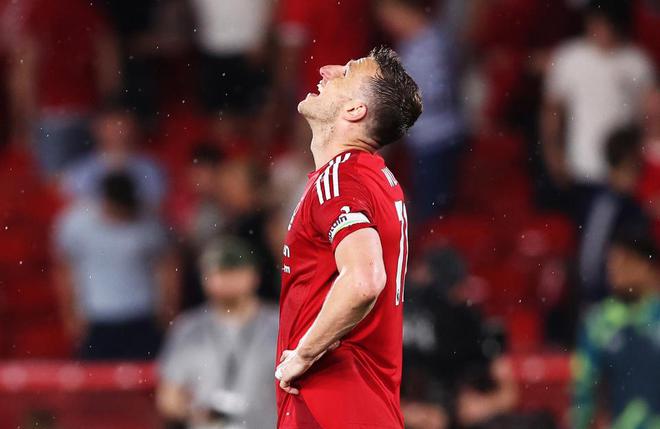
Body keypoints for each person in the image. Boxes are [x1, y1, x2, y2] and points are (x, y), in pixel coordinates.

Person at [274, 47, 422, 428]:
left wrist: (304, 355)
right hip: (365, 406)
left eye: (345, 73)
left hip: (331, 403)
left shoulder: (341, 179)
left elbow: (364, 280)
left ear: (355, 110)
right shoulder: (376, 179)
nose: (326, 69)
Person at [53, 171, 178, 360]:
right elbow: (65, 269)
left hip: (142, 315)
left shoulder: (149, 224)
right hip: (97, 317)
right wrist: (70, 313)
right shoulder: (75, 224)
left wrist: (168, 309)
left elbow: (168, 265)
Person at [157, 237, 279, 429]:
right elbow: (168, 398)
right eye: (218, 273)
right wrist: (196, 412)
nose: (225, 280)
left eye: (233, 272)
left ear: (254, 276)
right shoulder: (188, 328)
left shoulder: (279, 325)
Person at [541, 0, 654, 190]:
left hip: (625, 171)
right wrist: (553, 154)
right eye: (598, 23)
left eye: (609, 23)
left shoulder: (637, 62)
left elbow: (649, 115)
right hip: (580, 166)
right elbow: (552, 111)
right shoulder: (569, 58)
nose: (603, 30)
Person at [375, 0, 465, 222]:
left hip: (438, 138)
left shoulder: (431, 42)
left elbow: (436, 91)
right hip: (422, 140)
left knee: (433, 212)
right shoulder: (412, 44)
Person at [7, 0, 120, 176]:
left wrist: (23, 121)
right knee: (88, 182)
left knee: (56, 185)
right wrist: (107, 105)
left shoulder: (38, 10)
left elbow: (26, 70)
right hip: (89, 110)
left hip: (51, 116)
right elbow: (109, 62)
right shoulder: (86, 7)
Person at [572, 223, 660, 429]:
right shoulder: (600, 321)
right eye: (611, 261)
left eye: (624, 261)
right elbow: (584, 387)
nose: (614, 269)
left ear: (647, 266)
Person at [577, 125, 650, 304]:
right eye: (634, 166)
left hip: (614, 300)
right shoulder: (590, 197)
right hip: (584, 296)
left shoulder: (635, 210)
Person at [61, 104, 166, 211]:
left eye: (122, 126)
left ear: (134, 127)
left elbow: (155, 205)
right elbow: (74, 207)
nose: (117, 132)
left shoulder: (150, 168)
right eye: (111, 126)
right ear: (97, 128)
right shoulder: (80, 169)